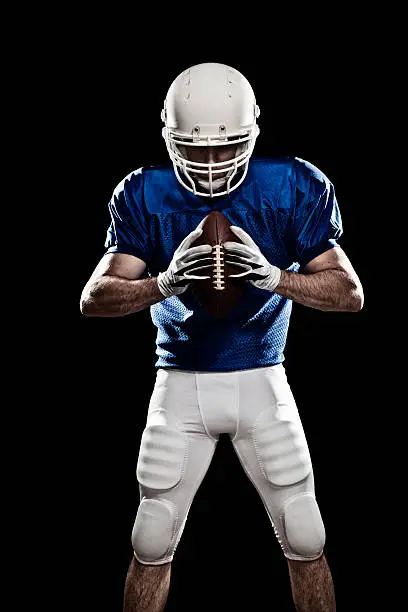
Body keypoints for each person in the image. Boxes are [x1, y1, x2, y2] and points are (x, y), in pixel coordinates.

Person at [80, 62, 364, 612]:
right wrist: (164, 284)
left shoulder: (290, 184)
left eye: (225, 146)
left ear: (253, 133)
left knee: (306, 535)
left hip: (263, 378)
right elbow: (94, 299)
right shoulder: (144, 192)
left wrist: (276, 277)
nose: (211, 164)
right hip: (179, 384)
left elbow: (350, 293)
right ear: (168, 137)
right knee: (151, 537)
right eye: (195, 148)